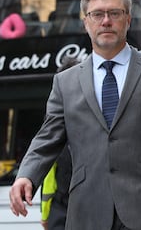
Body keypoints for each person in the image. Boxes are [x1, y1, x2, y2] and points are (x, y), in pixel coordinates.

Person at [9, 0, 141, 230]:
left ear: (128, 19)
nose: (106, 21)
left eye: (115, 13)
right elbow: (47, 137)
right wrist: (26, 175)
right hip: (86, 211)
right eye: (97, 14)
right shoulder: (65, 82)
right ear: (86, 22)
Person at [40, 56, 79, 230]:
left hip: (76, 206)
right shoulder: (54, 122)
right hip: (62, 207)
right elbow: (48, 175)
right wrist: (46, 214)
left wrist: (46, 214)